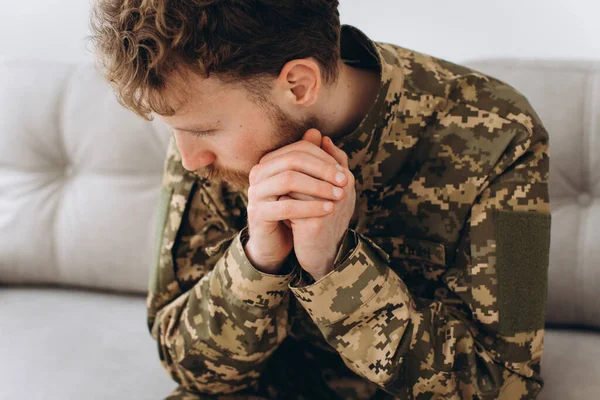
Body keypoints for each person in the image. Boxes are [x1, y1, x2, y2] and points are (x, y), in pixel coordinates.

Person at [88, 1, 552, 399]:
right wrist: (257, 262)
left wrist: (336, 268)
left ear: (298, 85)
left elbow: (505, 383)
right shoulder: (204, 142)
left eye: (204, 130)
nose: (189, 159)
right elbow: (188, 367)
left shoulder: (503, 134)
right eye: (176, 132)